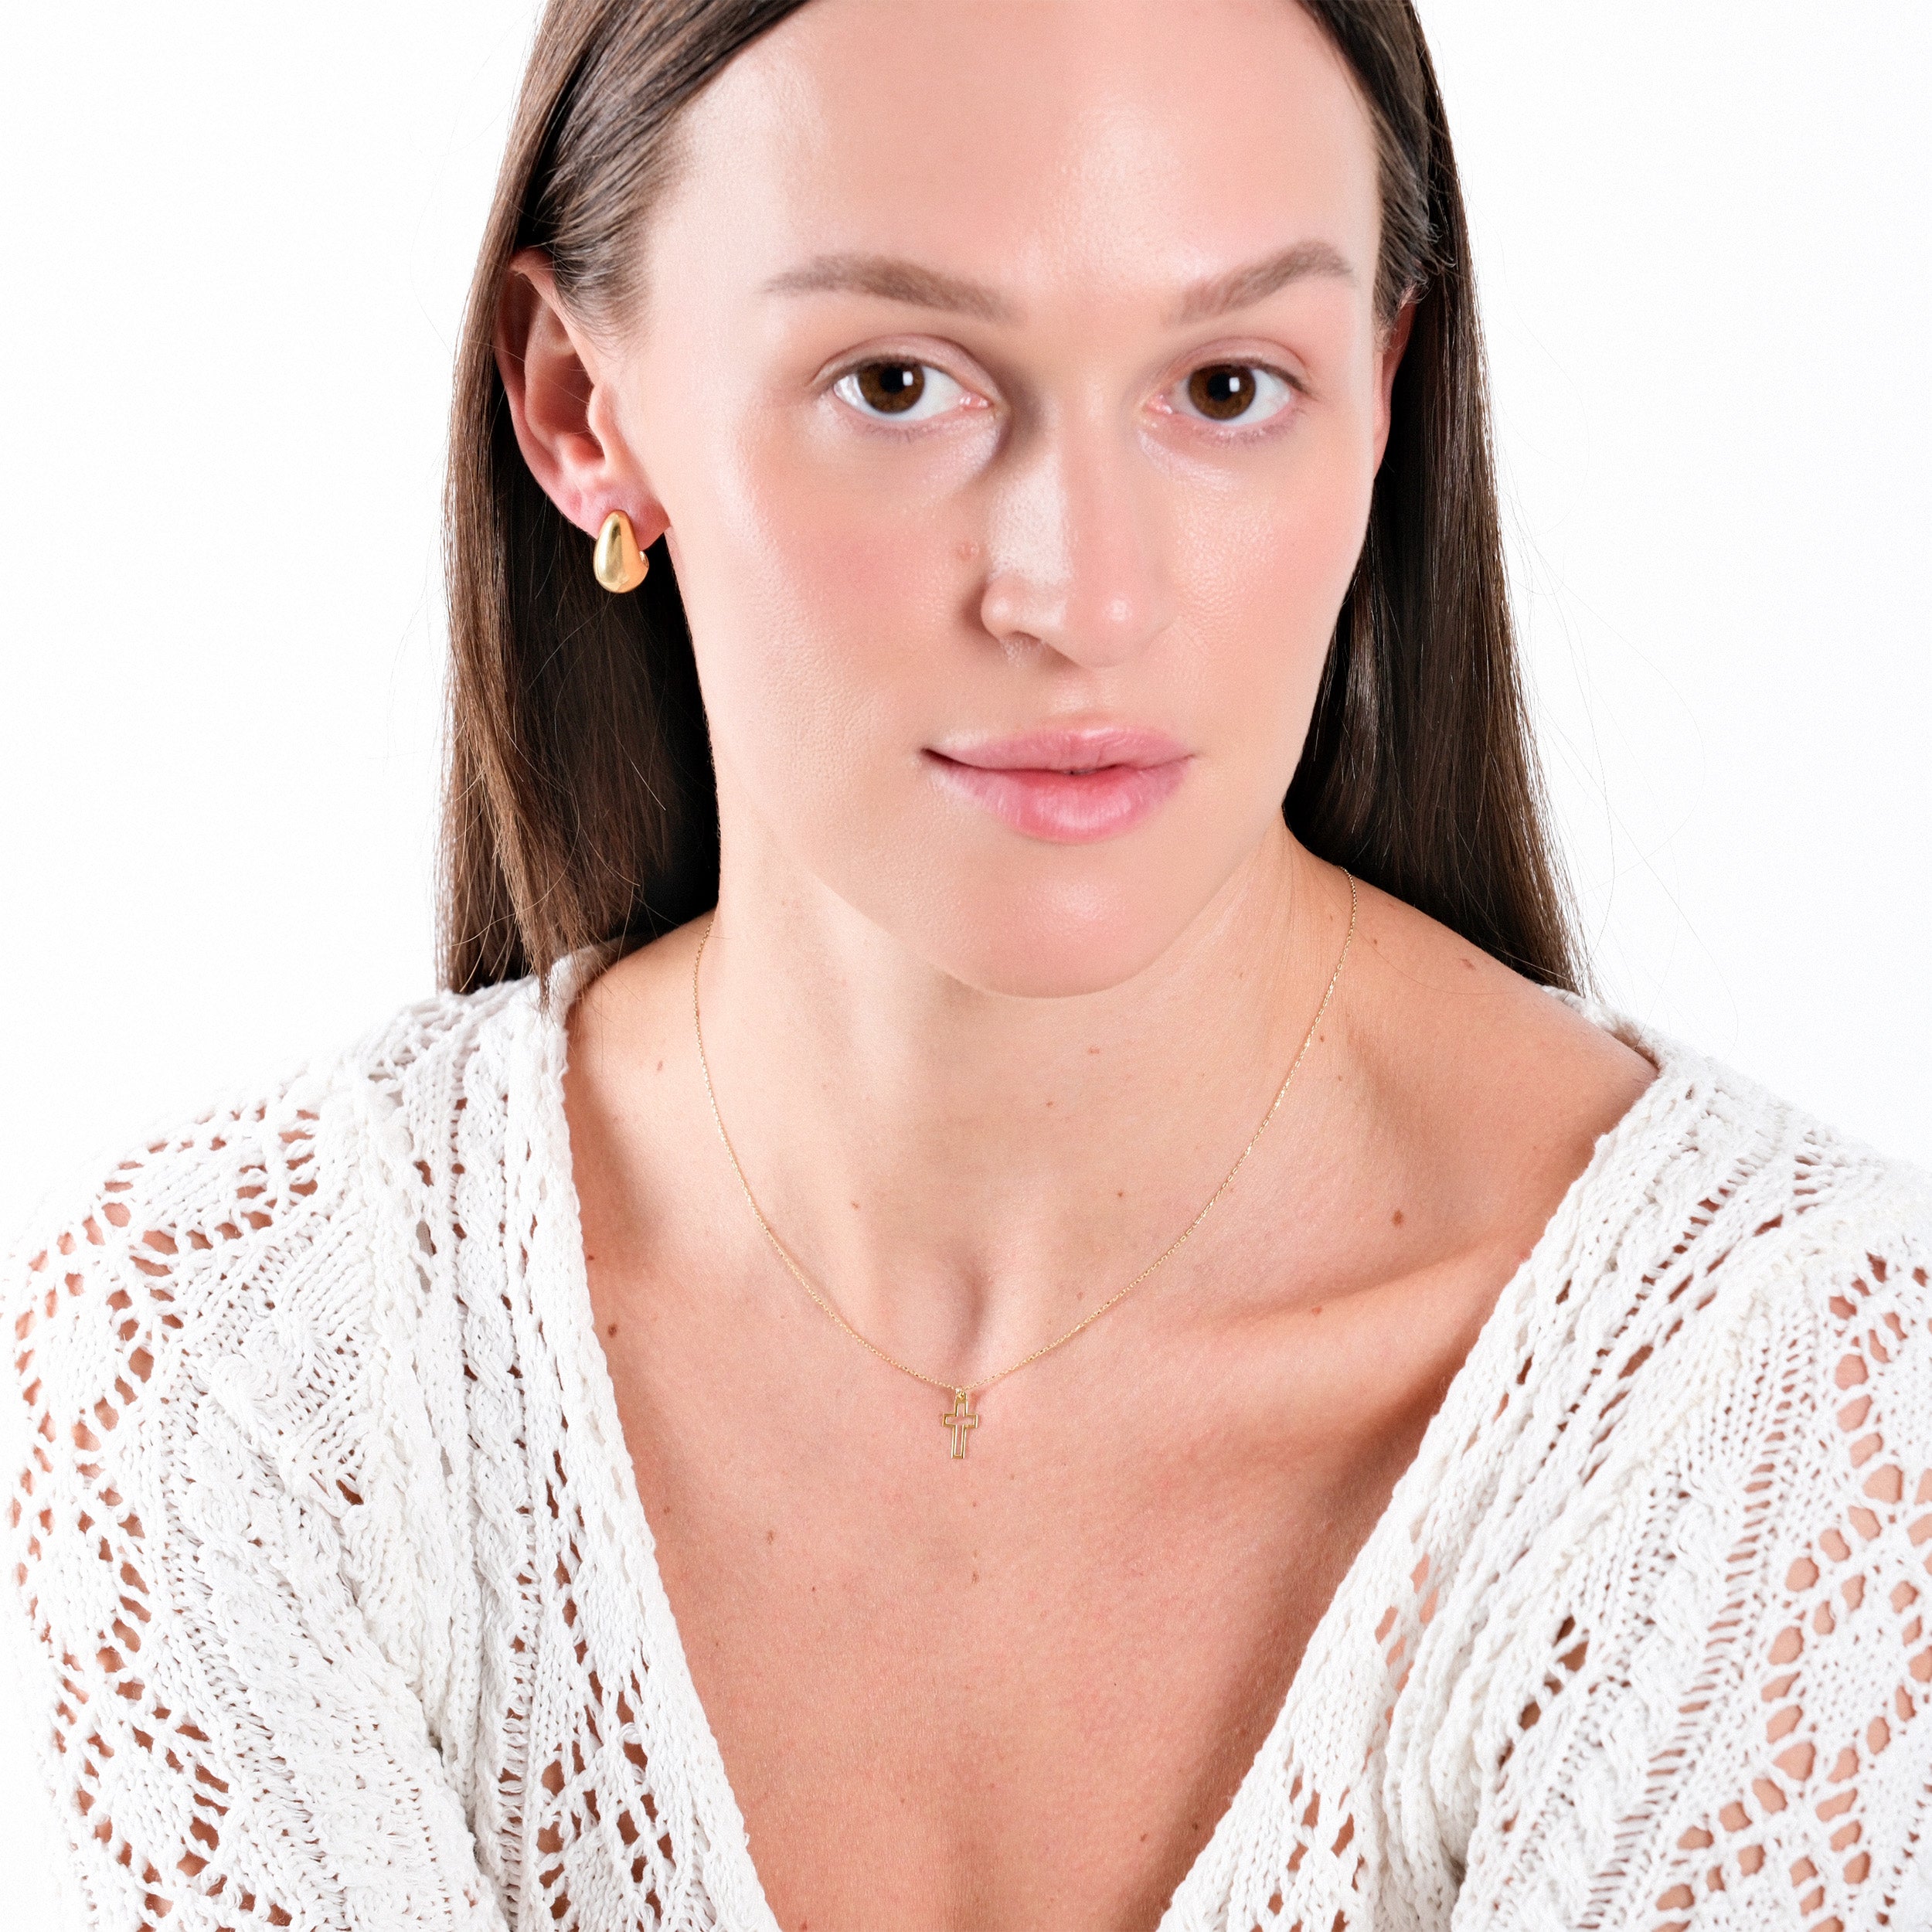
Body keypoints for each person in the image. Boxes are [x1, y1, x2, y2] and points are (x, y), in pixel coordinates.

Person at [6, 0, 1930, 1927]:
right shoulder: (238, 1365)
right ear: (580, 408)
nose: (1080, 593)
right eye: (899, 384)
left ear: (1383, 393)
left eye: (1229, 386)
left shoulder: (1784, 1413)